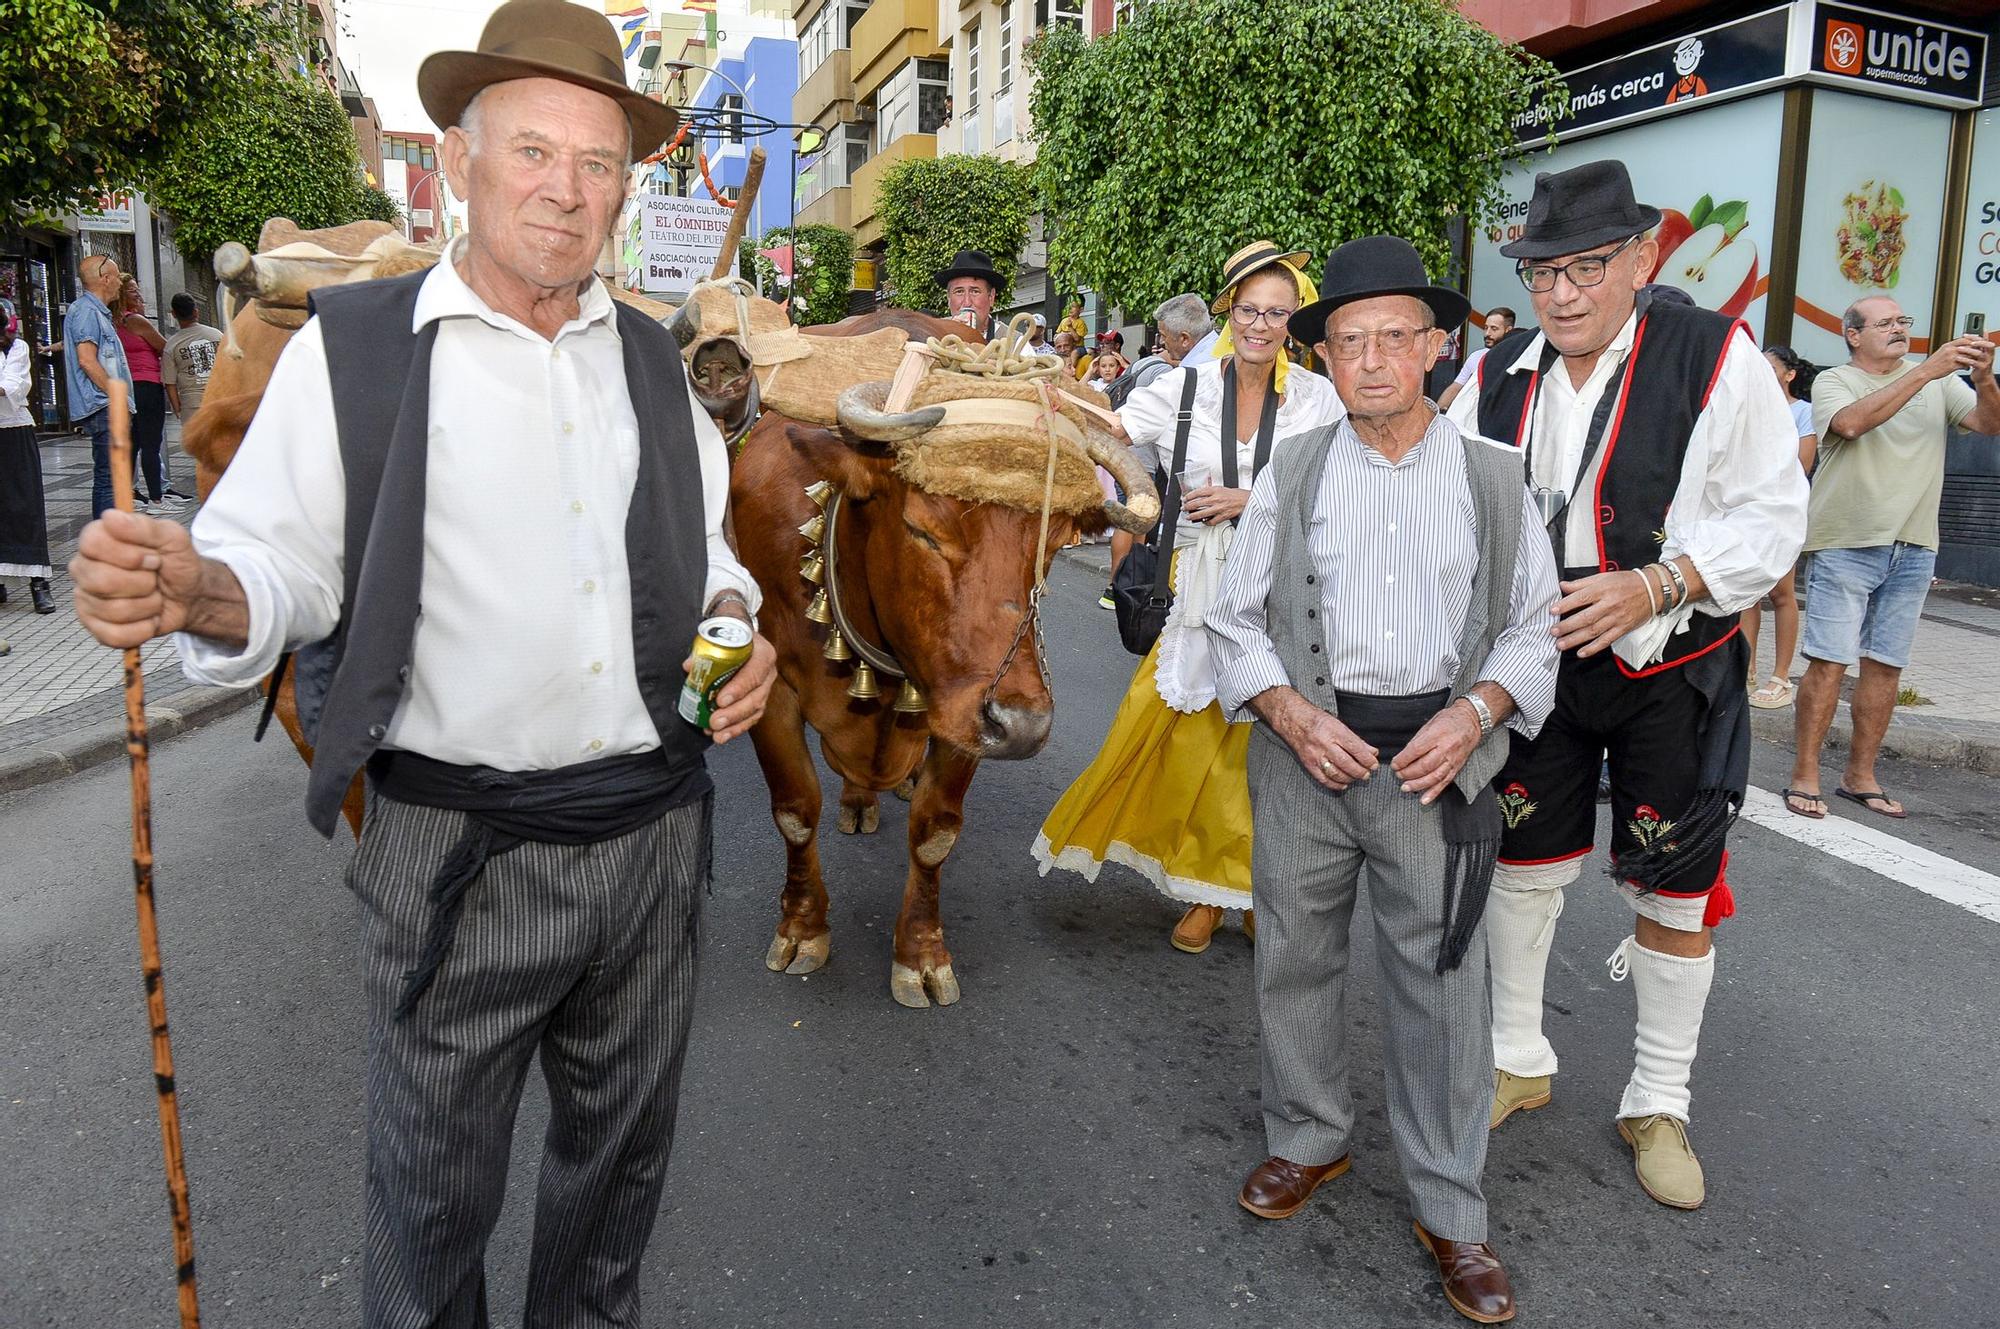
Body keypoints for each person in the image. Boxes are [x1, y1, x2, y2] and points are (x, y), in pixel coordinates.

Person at [67, 3, 778, 1323]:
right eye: (533, 154)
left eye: (600, 162)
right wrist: (198, 588)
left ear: (627, 181)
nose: (569, 193)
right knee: (431, 1211)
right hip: (455, 855)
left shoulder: (656, 367)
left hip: (654, 847)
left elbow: (711, 552)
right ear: (458, 163)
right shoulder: (358, 355)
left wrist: (745, 636)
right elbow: (273, 568)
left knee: (617, 1197)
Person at [1207, 234, 1559, 1326]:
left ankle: (1451, 1208)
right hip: (1304, 753)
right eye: (1345, 342)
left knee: (1441, 990)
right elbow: (1233, 619)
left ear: (1435, 348)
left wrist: (1472, 715)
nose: (1367, 361)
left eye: (1390, 339)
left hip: (1434, 770)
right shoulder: (1293, 470)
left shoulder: (1494, 478)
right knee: (1294, 958)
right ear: (1328, 358)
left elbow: (1533, 629)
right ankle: (1307, 1138)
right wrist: (1288, 714)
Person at [1444, 160, 1807, 1211]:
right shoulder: (1496, 369)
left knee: (1673, 886)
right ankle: (1517, 1055)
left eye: (1587, 267)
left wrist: (1658, 583)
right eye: (1542, 270)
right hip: (1535, 661)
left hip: (1670, 667)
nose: (1560, 293)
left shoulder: (1712, 356)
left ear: (1640, 260)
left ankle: (1656, 1099)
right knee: (1520, 861)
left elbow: (1771, 512)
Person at [1032, 241, 1343, 954]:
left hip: (1289, 587)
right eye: (1251, 310)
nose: (1263, 325)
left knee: (1269, 745)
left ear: (1293, 320)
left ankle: (1253, 891)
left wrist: (1250, 498)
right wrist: (1048, 397)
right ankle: (1205, 889)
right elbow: (1111, 428)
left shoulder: (1317, 398)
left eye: (1279, 313)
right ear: (1230, 309)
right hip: (1200, 588)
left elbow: (1340, 486)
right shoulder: (1185, 387)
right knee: (1187, 734)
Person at [1788, 298, 2000, 819]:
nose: (1900, 330)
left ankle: (1859, 775)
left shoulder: (1941, 382)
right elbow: (1853, 425)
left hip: (1915, 544)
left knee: (1885, 667)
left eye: (1904, 322)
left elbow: (1988, 424)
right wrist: (1929, 370)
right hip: (1846, 541)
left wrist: (1986, 379)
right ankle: (1805, 776)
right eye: (1885, 324)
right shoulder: (1834, 380)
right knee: (1829, 662)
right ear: (1853, 335)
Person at [1744, 346, 1819, 709]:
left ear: (1789, 374)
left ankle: (1781, 676)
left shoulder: (1803, 412)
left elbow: (1802, 466)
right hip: (1747, 510)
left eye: (1769, 367)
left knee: (1781, 593)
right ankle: (1747, 669)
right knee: (1746, 593)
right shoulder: (1749, 409)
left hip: (1785, 511)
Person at [61, 252, 136, 519]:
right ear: (105, 279)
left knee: (114, 476)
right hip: (103, 406)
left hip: (106, 405)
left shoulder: (93, 312)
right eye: (117, 277)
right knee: (110, 478)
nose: (120, 282)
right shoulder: (86, 311)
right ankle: (108, 543)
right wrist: (117, 397)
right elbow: (87, 361)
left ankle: (112, 538)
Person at [0, 315, 56, 613]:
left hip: (13, 433)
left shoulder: (17, 349)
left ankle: (38, 583)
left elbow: (11, 385)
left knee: (25, 505)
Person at [115, 276, 176, 512]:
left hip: (129, 387)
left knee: (134, 443)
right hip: (148, 384)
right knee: (151, 443)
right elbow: (165, 346)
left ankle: (129, 495)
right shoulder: (136, 320)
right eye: (133, 292)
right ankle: (156, 499)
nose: (139, 296)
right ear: (121, 295)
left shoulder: (113, 321)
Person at [1436, 306, 1516, 411]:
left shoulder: (1516, 358)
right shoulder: (1476, 357)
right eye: (1486, 328)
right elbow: (1456, 387)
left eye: (1494, 328)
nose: (1487, 333)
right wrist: (1437, 413)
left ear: (1508, 330)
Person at [162, 292, 225, 423]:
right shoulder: (218, 336)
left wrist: (177, 408)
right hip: (220, 396)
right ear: (196, 312)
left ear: (174, 314)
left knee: (196, 442)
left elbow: (170, 383)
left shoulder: (172, 345)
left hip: (192, 403)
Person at [934, 248, 1012, 344]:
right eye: (959, 292)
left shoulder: (1015, 343)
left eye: (975, 292)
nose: (967, 302)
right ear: (949, 298)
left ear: (991, 297)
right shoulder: (932, 334)